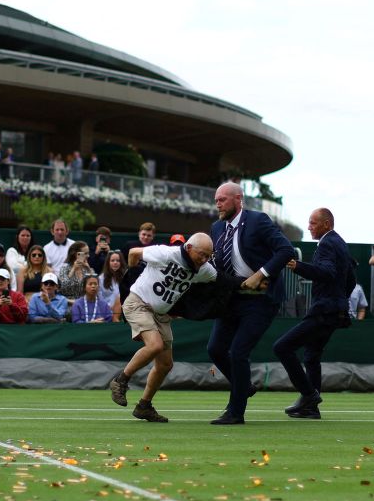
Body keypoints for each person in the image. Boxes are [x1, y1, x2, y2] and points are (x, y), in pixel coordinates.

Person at [205, 182, 294, 425]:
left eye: (223, 199)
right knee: (215, 349)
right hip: (232, 298)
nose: (218, 204)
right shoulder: (216, 228)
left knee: (239, 352)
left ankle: (236, 413)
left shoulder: (258, 220)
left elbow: (286, 250)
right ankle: (244, 385)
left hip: (261, 300)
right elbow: (218, 264)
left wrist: (260, 274)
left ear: (238, 199)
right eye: (216, 200)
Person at [109, 232, 216, 423]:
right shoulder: (166, 253)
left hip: (160, 314)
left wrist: (248, 282)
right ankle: (120, 380)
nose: (205, 259)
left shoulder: (203, 269)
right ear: (189, 248)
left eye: (209, 255)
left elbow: (220, 279)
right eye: (202, 254)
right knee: (155, 345)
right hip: (138, 303)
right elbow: (133, 253)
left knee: (165, 364)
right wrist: (131, 278)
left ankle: (144, 406)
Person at [272, 208, 356, 419]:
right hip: (334, 309)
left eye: (312, 223)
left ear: (326, 224)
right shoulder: (340, 243)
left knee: (282, 347)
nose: (308, 227)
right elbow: (351, 280)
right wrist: (339, 299)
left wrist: (297, 266)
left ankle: (309, 395)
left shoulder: (327, 243)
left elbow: (327, 273)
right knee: (311, 356)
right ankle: (311, 409)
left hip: (324, 310)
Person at [98, 250, 126, 320]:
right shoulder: (101, 278)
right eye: (112, 260)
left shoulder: (126, 277)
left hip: (124, 311)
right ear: (108, 263)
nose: (115, 262)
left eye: (118, 260)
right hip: (106, 312)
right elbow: (100, 299)